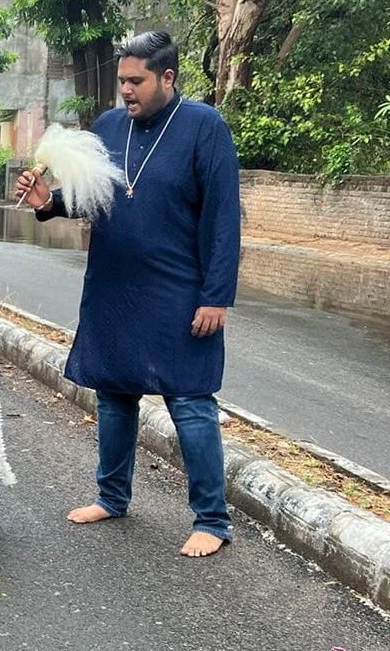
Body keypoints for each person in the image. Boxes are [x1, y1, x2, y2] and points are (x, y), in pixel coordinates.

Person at [15, 30, 241, 558]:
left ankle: (212, 519)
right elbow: (91, 199)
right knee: (115, 397)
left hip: (180, 291)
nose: (126, 91)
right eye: (121, 81)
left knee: (190, 401)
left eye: (136, 81)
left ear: (167, 78)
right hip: (114, 287)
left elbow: (224, 220)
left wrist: (216, 296)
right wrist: (51, 201)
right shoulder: (111, 126)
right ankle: (111, 496)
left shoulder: (205, 128)